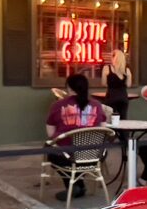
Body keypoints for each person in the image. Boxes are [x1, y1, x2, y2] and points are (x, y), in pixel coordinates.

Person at [45, 73, 107, 201]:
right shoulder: (97, 105)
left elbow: (51, 134)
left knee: (49, 148)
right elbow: (104, 130)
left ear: (68, 88)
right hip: (94, 155)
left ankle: (73, 186)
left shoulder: (58, 105)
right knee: (75, 154)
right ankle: (78, 184)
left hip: (68, 156)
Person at [100, 49, 132, 118]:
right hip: (123, 97)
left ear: (114, 58)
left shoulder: (106, 68)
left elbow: (103, 83)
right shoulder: (127, 70)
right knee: (123, 119)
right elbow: (129, 85)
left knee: (110, 119)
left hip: (111, 97)